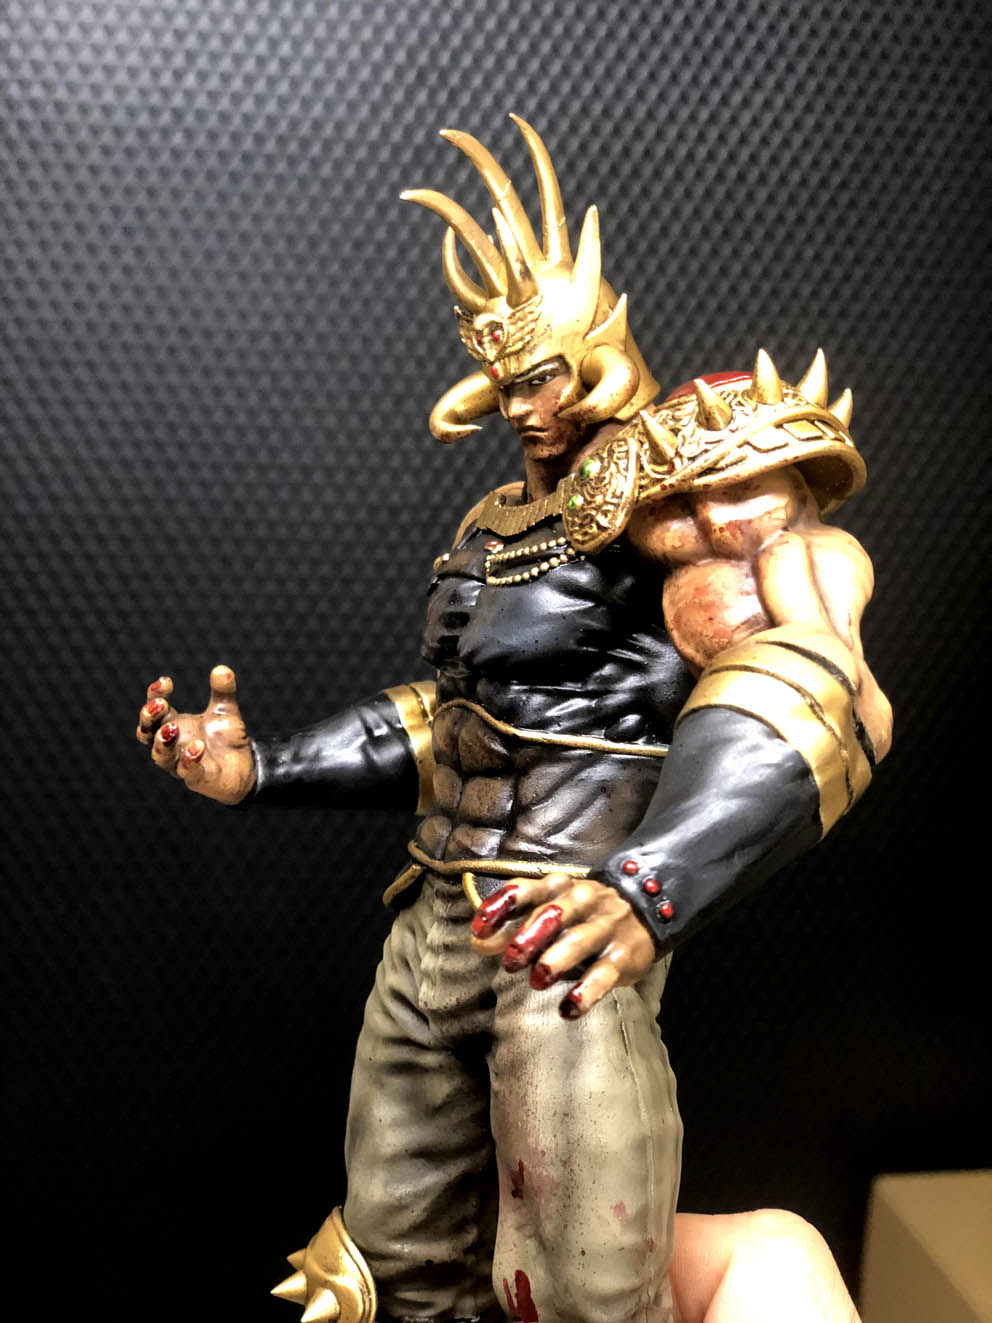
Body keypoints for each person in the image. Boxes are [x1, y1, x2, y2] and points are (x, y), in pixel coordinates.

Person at [136, 117, 890, 1323]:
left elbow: (808, 686)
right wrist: (260, 768)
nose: (522, 406)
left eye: (541, 375)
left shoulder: (683, 492)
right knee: (387, 1268)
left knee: (575, 1290)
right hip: (435, 927)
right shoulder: (492, 524)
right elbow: (455, 723)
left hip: (565, 937)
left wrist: (647, 888)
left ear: (598, 354)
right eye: (506, 384)